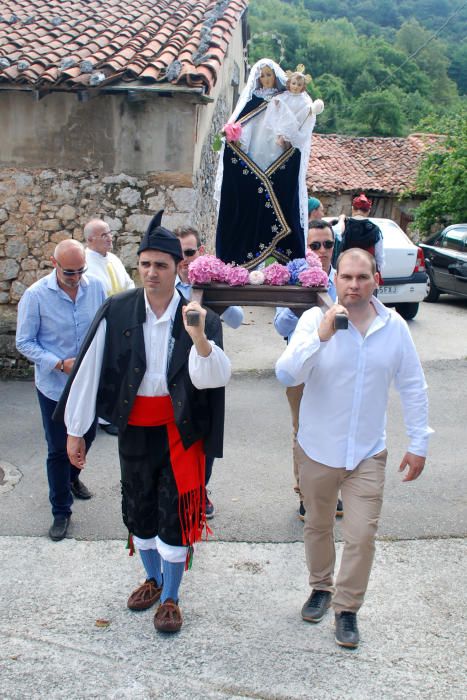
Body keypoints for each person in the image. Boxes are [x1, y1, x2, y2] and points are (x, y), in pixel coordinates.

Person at [56, 212, 231, 634]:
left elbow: (215, 377)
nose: (152, 273)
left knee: (175, 513)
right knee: (139, 507)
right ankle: (152, 579)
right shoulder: (118, 310)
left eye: (162, 265)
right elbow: (89, 371)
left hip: (180, 431)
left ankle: (171, 596)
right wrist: (75, 431)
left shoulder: (198, 317)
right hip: (134, 429)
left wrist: (199, 338)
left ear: (177, 269)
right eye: (146, 264)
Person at [275, 248, 431, 649]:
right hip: (317, 449)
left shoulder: (393, 327)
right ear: (335, 279)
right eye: (347, 277)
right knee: (318, 526)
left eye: (363, 277)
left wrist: (418, 443)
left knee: (361, 536)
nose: (355, 285)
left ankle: (347, 609)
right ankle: (320, 587)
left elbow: (412, 385)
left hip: (367, 453)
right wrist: (322, 335)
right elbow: (286, 373)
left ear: (376, 279)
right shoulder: (314, 319)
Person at [16, 239, 106, 541]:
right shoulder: (35, 296)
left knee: (88, 436)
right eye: (70, 272)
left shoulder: (95, 287)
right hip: (54, 387)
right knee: (58, 449)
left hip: (89, 384)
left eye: (81, 270)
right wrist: (57, 364)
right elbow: (24, 342)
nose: (77, 277)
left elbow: (105, 326)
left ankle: (71, 478)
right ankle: (61, 511)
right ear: (54, 264)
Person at [274, 220, 342, 522]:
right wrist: (296, 303)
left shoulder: (345, 279)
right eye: (315, 245)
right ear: (305, 250)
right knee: (303, 430)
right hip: (303, 370)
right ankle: (305, 492)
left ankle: (332, 491)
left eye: (328, 244)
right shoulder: (292, 279)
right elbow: (280, 326)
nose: (323, 251)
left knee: (336, 428)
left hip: (339, 369)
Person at [174, 225, 244, 519]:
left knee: (209, 436)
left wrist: (217, 292)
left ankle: (201, 489)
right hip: (177, 377)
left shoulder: (213, 283)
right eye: (178, 255)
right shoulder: (167, 289)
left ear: (200, 252)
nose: (184, 260)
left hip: (211, 371)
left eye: (190, 252)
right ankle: (180, 491)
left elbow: (238, 319)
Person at [215, 58, 308, 268]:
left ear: (276, 77)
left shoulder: (284, 99)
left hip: (277, 155)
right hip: (254, 158)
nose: (266, 79)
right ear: (257, 79)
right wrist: (235, 140)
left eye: (269, 75)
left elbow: (296, 122)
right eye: (262, 76)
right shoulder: (251, 102)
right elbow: (243, 128)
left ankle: (284, 264)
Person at [84, 218, 135, 436]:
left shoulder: (112, 258)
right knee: (101, 368)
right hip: (101, 322)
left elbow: (128, 284)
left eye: (109, 233)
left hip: (121, 320)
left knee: (117, 367)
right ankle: (102, 416)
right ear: (89, 239)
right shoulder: (85, 263)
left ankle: (112, 411)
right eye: (103, 235)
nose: (109, 237)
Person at [337, 193, 384, 275]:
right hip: (366, 272)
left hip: (346, 271)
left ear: (352, 209)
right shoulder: (375, 230)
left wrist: (341, 219)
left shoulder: (343, 226)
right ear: (368, 211)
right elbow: (379, 257)